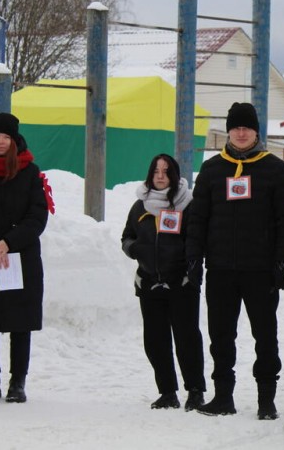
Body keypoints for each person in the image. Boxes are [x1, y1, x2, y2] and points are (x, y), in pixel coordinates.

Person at [186, 102, 284, 419]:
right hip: (220, 268)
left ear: (256, 131)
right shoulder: (211, 169)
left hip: (260, 269)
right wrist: (194, 259)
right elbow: (198, 219)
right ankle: (223, 396)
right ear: (229, 131)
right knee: (221, 336)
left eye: (246, 127)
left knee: (265, 336)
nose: (241, 132)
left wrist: (281, 261)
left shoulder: (275, 169)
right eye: (236, 127)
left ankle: (266, 399)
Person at [121, 153, 206, 411]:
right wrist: (136, 250)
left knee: (187, 339)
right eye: (156, 171)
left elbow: (195, 240)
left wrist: (190, 271)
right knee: (155, 341)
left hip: (180, 283)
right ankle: (167, 391)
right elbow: (127, 237)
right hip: (149, 283)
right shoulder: (140, 206)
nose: (160, 176)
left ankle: (195, 390)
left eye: (166, 171)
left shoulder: (187, 204)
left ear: (174, 175)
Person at [0, 113, 50, 403]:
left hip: (22, 257)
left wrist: (9, 241)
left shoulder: (30, 172)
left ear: (14, 141)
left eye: (5, 137)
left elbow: (37, 216)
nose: (0, 142)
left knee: (20, 322)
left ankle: (18, 381)